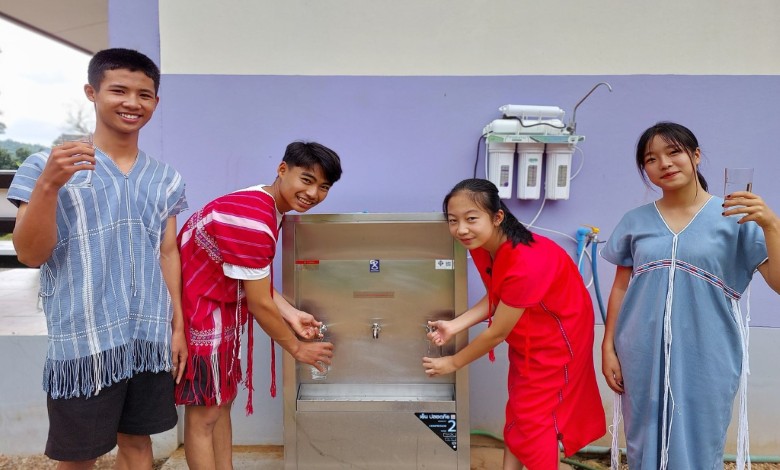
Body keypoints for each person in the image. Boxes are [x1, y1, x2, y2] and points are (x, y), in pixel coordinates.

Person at [7, 48, 187, 469]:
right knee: (78, 457)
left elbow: (167, 251)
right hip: (84, 341)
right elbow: (30, 254)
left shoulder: (165, 178)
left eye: (144, 94)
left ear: (156, 102)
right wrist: (49, 185)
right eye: (118, 90)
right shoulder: (46, 165)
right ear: (92, 92)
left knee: (138, 445)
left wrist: (177, 326)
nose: (132, 103)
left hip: (148, 337)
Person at [601, 122, 780, 469]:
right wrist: (608, 346)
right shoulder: (635, 221)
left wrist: (772, 225)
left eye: (674, 152)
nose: (664, 164)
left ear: (695, 156)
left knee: (699, 442)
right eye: (651, 159)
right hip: (641, 353)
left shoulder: (735, 217)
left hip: (708, 354)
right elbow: (620, 287)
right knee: (643, 445)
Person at [175, 141, 342, 470]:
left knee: (221, 406)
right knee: (205, 416)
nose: (313, 194)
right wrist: (296, 348)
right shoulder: (255, 219)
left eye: (324, 187)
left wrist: (291, 313)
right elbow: (259, 303)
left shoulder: (262, 202)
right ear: (282, 170)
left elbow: (250, 275)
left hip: (215, 310)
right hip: (199, 314)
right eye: (307, 180)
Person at [423, 178, 606, 470]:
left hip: (558, 341)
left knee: (536, 420)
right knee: (520, 409)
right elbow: (498, 295)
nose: (461, 229)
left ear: (497, 217)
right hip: (530, 331)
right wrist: (455, 325)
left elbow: (497, 333)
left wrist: (453, 363)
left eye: (471, 219)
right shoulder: (483, 245)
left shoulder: (527, 262)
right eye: (453, 220)